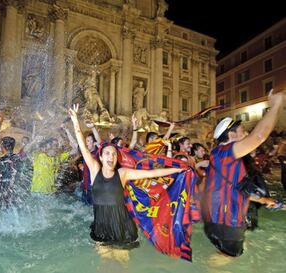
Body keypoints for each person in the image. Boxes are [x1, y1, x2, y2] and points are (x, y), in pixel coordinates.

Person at [68, 104, 184, 248]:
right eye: (107, 154)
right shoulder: (94, 169)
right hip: (101, 227)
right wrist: (75, 123)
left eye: (114, 154)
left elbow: (151, 173)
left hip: (122, 228)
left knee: (122, 267)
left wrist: (176, 170)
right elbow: (84, 148)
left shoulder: (122, 174)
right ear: (101, 158)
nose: (111, 156)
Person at [202, 90, 284, 257]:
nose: (247, 134)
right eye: (243, 131)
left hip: (224, 222)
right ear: (231, 134)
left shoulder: (223, 157)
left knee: (228, 255)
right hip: (226, 223)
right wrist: (275, 105)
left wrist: (263, 199)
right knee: (225, 259)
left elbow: (235, 189)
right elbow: (259, 136)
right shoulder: (223, 153)